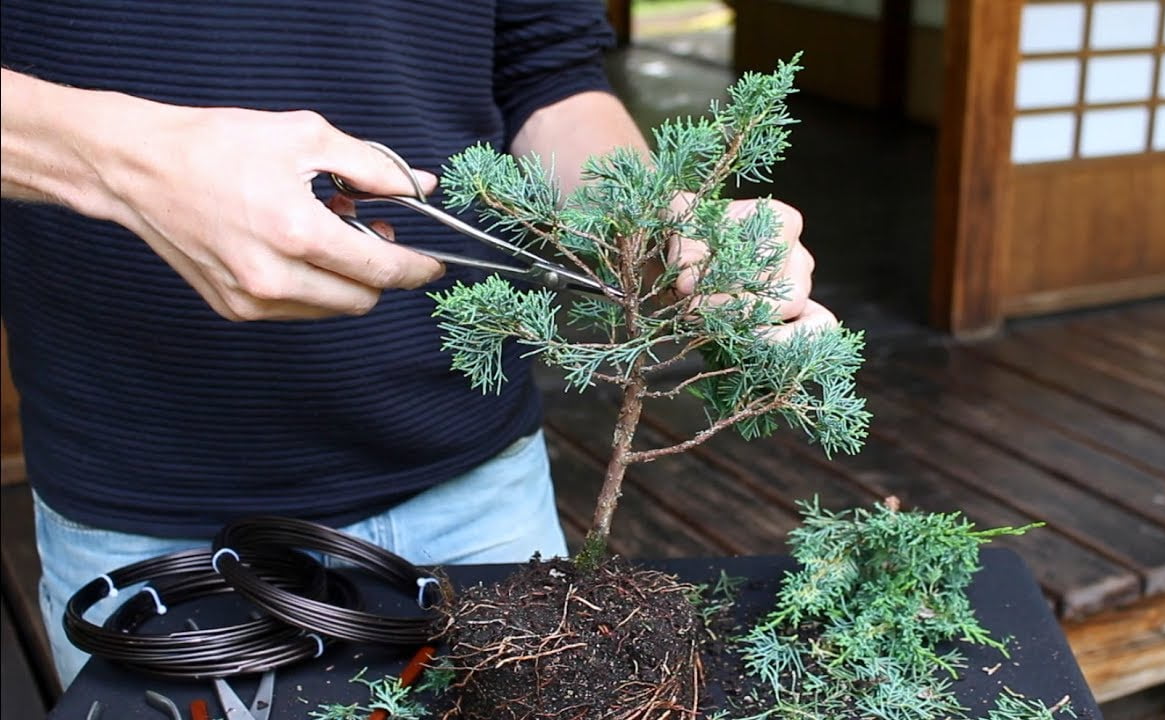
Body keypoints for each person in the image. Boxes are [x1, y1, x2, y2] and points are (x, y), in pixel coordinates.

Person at [0, 1, 836, 685]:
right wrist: (121, 162)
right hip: (144, 521)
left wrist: (656, 224)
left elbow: (548, 71)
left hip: (480, 493)